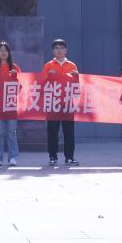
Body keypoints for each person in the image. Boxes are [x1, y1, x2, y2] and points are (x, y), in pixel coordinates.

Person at [42, 38, 79, 166]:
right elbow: (41, 85)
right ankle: (52, 157)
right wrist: (48, 76)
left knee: (69, 133)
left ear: (66, 50)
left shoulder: (72, 65)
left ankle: (69, 157)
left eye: (62, 48)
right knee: (52, 133)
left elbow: (77, 87)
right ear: (53, 51)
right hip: (53, 104)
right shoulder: (48, 65)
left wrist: (77, 77)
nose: (59, 50)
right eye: (57, 48)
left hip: (68, 104)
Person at [0, 41, 20, 167]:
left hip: (11, 104)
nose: (3, 52)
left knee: (11, 132)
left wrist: (15, 77)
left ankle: (12, 157)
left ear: (9, 53)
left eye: (5, 50)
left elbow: (21, 85)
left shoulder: (15, 67)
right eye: (0, 50)